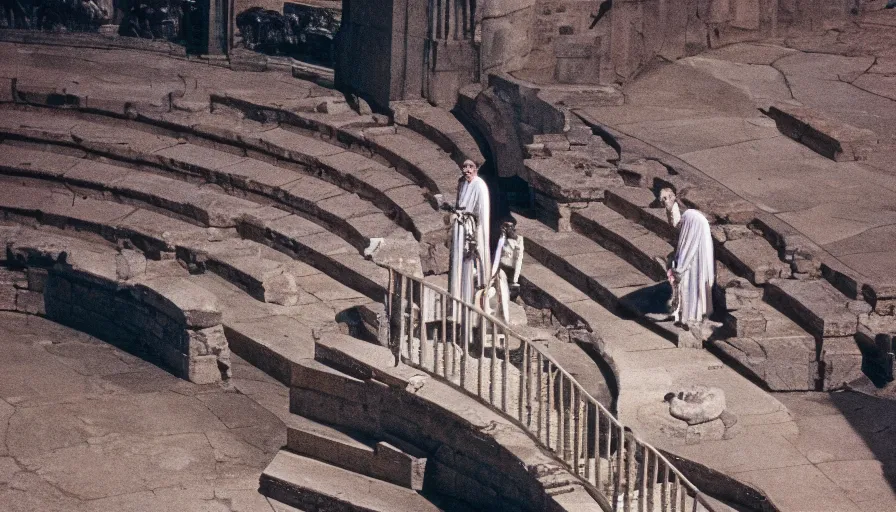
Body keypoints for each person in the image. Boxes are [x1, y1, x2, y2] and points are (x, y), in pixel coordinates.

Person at [660, 188, 714, 327]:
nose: (663, 202)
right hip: (696, 255)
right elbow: (676, 223)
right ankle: (686, 316)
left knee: (690, 283)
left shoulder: (691, 218)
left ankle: (690, 317)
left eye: (665, 198)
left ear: (672, 197)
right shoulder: (686, 217)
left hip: (694, 258)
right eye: (662, 199)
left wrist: (680, 268)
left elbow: (687, 244)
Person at [444, 160, 490, 306]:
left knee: (469, 260)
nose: (467, 170)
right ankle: (457, 296)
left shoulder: (480, 185)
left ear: (476, 169)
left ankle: (472, 297)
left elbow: (481, 214)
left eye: (470, 167)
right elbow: (460, 205)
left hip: (471, 226)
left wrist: (476, 236)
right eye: (464, 167)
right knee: (458, 260)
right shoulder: (462, 183)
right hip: (460, 226)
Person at [482, 217, 524, 323]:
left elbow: (518, 259)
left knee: (507, 291)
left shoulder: (518, 240)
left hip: (509, 269)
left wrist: (515, 279)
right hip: (498, 266)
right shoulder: (500, 238)